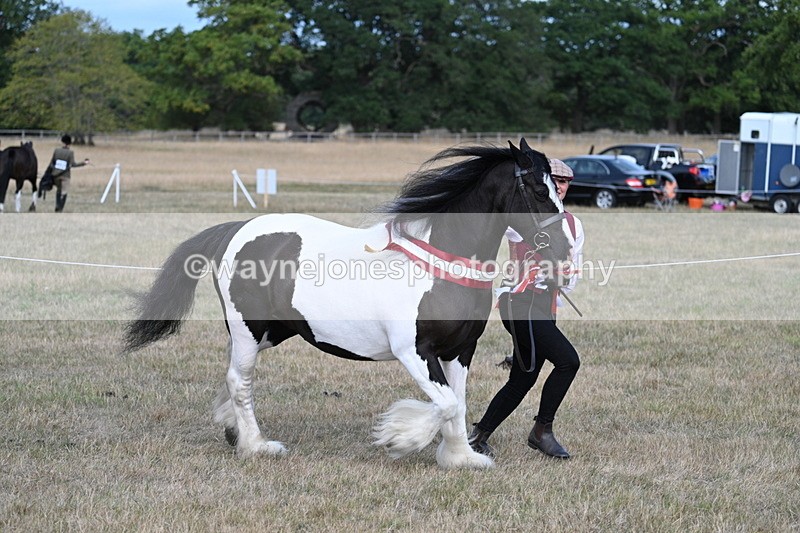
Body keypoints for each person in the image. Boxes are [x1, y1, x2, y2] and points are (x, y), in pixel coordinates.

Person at [469, 158, 584, 459]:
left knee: (523, 377)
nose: (559, 186)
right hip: (518, 302)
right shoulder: (526, 214)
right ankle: (541, 431)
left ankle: (479, 434)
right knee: (568, 361)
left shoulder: (574, 225)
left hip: (544, 305)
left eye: (565, 181)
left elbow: (572, 271)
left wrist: (563, 275)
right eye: (554, 181)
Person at [49, 134, 89, 212]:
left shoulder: (56, 151)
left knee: (58, 191)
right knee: (64, 192)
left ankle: (57, 205)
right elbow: (73, 164)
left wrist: (54, 170)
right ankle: (60, 207)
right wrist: (84, 163)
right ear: (69, 143)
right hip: (65, 175)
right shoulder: (70, 153)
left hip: (55, 175)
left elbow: (51, 163)